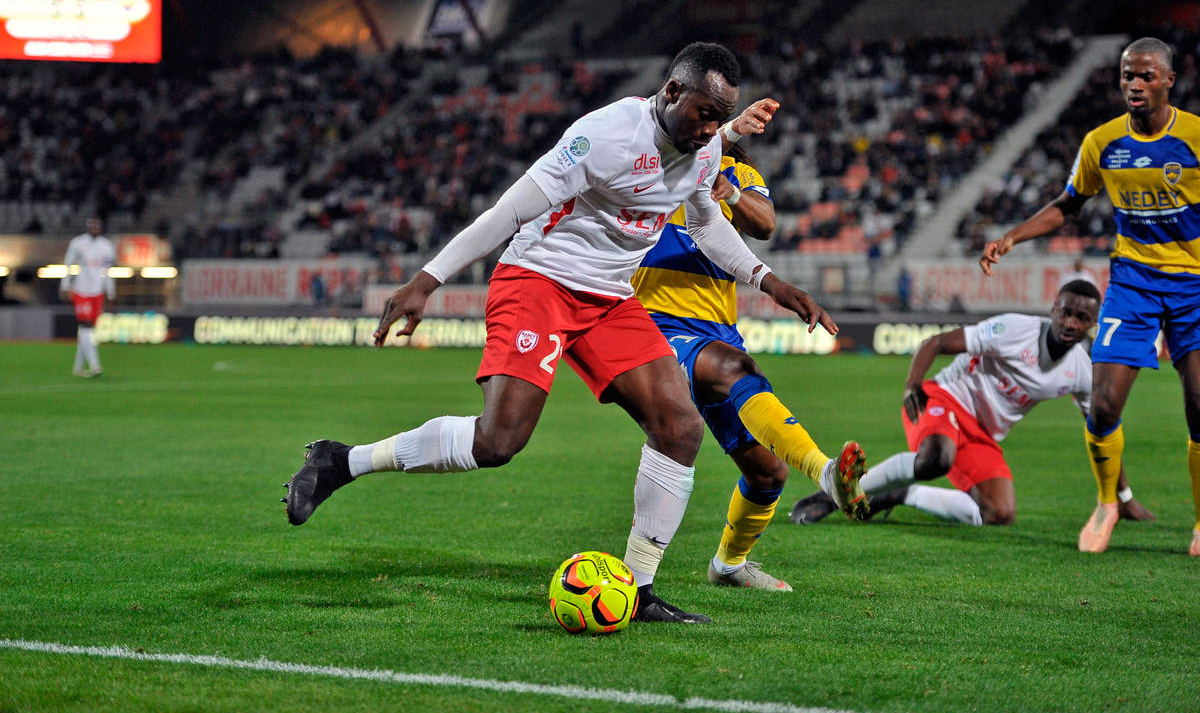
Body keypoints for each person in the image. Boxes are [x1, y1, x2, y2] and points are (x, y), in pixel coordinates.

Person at [282, 42, 863, 624]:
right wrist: (426, 280)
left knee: (679, 426)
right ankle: (342, 460)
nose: (711, 128)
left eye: (720, 116)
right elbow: (509, 212)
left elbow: (710, 227)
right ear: (671, 93)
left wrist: (769, 281)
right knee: (498, 441)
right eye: (703, 113)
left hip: (610, 298)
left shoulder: (706, 151)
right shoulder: (607, 134)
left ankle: (636, 589)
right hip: (539, 280)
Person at [979, 37, 1200, 555]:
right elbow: (1069, 203)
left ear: (1169, 80)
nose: (1135, 85)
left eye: (1146, 76)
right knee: (1101, 404)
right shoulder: (1102, 142)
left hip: (1194, 287)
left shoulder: (1194, 137)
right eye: (1127, 76)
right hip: (1133, 285)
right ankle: (1107, 504)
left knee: (1199, 407)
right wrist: (1013, 235)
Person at [631, 139, 867, 592]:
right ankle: (826, 472)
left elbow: (765, 223)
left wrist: (731, 192)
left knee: (767, 473)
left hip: (717, 329)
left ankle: (729, 565)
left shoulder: (735, 170)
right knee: (736, 368)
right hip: (655, 322)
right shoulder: (652, 160)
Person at [791, 281, 1155, 527]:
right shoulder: (1014, 329)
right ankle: (833, 494)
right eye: (1066, 312)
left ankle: (900, 494)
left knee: (1000, 513)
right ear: (1053, 308)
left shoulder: (1080, 371)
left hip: (982, 434)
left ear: (1094, 323)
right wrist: (912, 384)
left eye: (1082, 317)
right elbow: (935, 343)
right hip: (944, 398)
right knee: (936, 459)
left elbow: (1102, 434)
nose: (1071, 322)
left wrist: (1121, 495)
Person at [59, 217, 115, 378]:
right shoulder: (77, 243)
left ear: (101, 226)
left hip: (97, 291)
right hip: (81, 290)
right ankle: (95, 365)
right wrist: (65, 285)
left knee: (87, 330)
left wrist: (110, 292)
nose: (94, 227)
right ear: (87, 226)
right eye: (92, 224)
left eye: (97, 224)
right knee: (86, 324)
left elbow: (108, 271)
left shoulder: (107, 246)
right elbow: (68, 264)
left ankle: (78, 367)